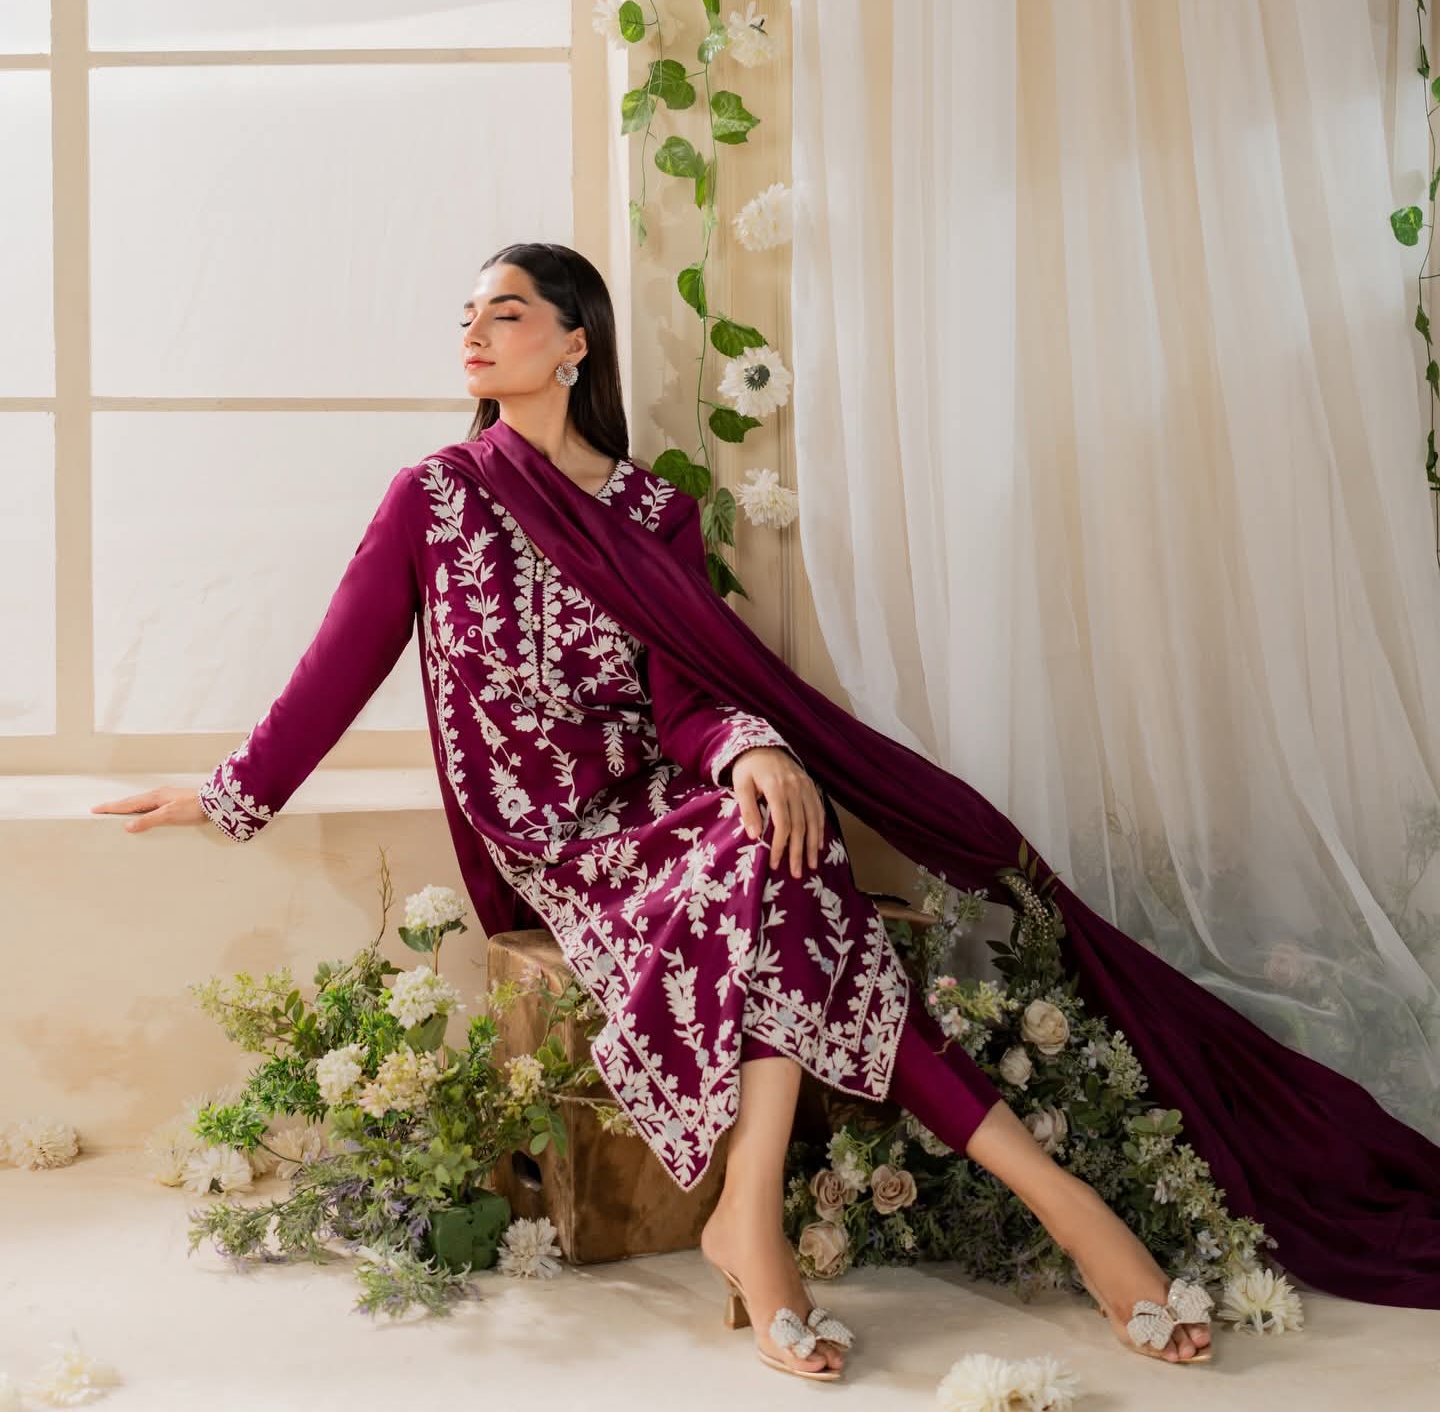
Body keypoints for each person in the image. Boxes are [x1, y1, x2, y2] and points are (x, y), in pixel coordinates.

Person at [93, 241, 1437, 1376]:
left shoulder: (653, 511)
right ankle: (1062, 1207)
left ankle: (763, 1214)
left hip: (659, 800)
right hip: (552, 835)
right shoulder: (438, 498)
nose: (475, 334)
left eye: (506, 312)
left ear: (575, 343)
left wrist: (752, 750)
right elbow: (338, 666)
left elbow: (690, 697)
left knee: (778, 850)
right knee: (776, 875)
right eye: (468, 317)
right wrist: (228, 792)